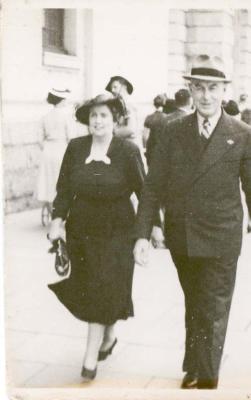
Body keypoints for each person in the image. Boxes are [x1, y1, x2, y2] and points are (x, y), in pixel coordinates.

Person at [134, 55, 251, 389]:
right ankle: (194, 362)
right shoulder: (172, 131)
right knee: (195, 299)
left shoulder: (242, 133)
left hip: (223, 233)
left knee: (214, 302)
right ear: (189, 90)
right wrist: (143, 232)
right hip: (182, 234)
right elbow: (153, 185)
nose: (205, 96)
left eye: (212, 89)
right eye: (198, 88)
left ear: (224, 91)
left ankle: (207, 372)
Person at [47, 93, 148, 382]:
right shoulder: (76, 148)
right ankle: (110, 334)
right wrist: (57, 220)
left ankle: (89, 359)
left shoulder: (128, 151)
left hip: (117, 231)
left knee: (103, 285)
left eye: (104, 115)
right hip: (82, 231)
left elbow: (144, 193)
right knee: (95, 289)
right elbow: (64, 188)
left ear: (115, 119)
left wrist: (148, 231)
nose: (98, 121)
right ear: (87, 120)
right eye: (93, 116)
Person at [36, 88, 72, 215]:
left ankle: (52, 211)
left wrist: (46, 149)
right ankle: (61, 213)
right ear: (61, 101)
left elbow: (39, 140)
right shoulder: (66, 117)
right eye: (65, 100)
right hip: (61, 150)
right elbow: (71, 137)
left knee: (49, 181)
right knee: (61, 180)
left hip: (48, 151)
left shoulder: (44, 117)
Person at [105, 75, 142, 148]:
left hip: (131, 146)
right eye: (111, 88)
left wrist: (109, 132)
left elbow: (130, 129)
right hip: (124, 146)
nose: (112, 90)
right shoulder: (120, 104)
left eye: (115, 87)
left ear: (124, 87)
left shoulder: (128, 104)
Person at [144, 94, 168, 165]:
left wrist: (145, 148)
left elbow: (144, 137)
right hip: (163, 150)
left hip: (151, 149)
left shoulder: (149, 117)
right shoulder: (167, 118)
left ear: (154, 104)